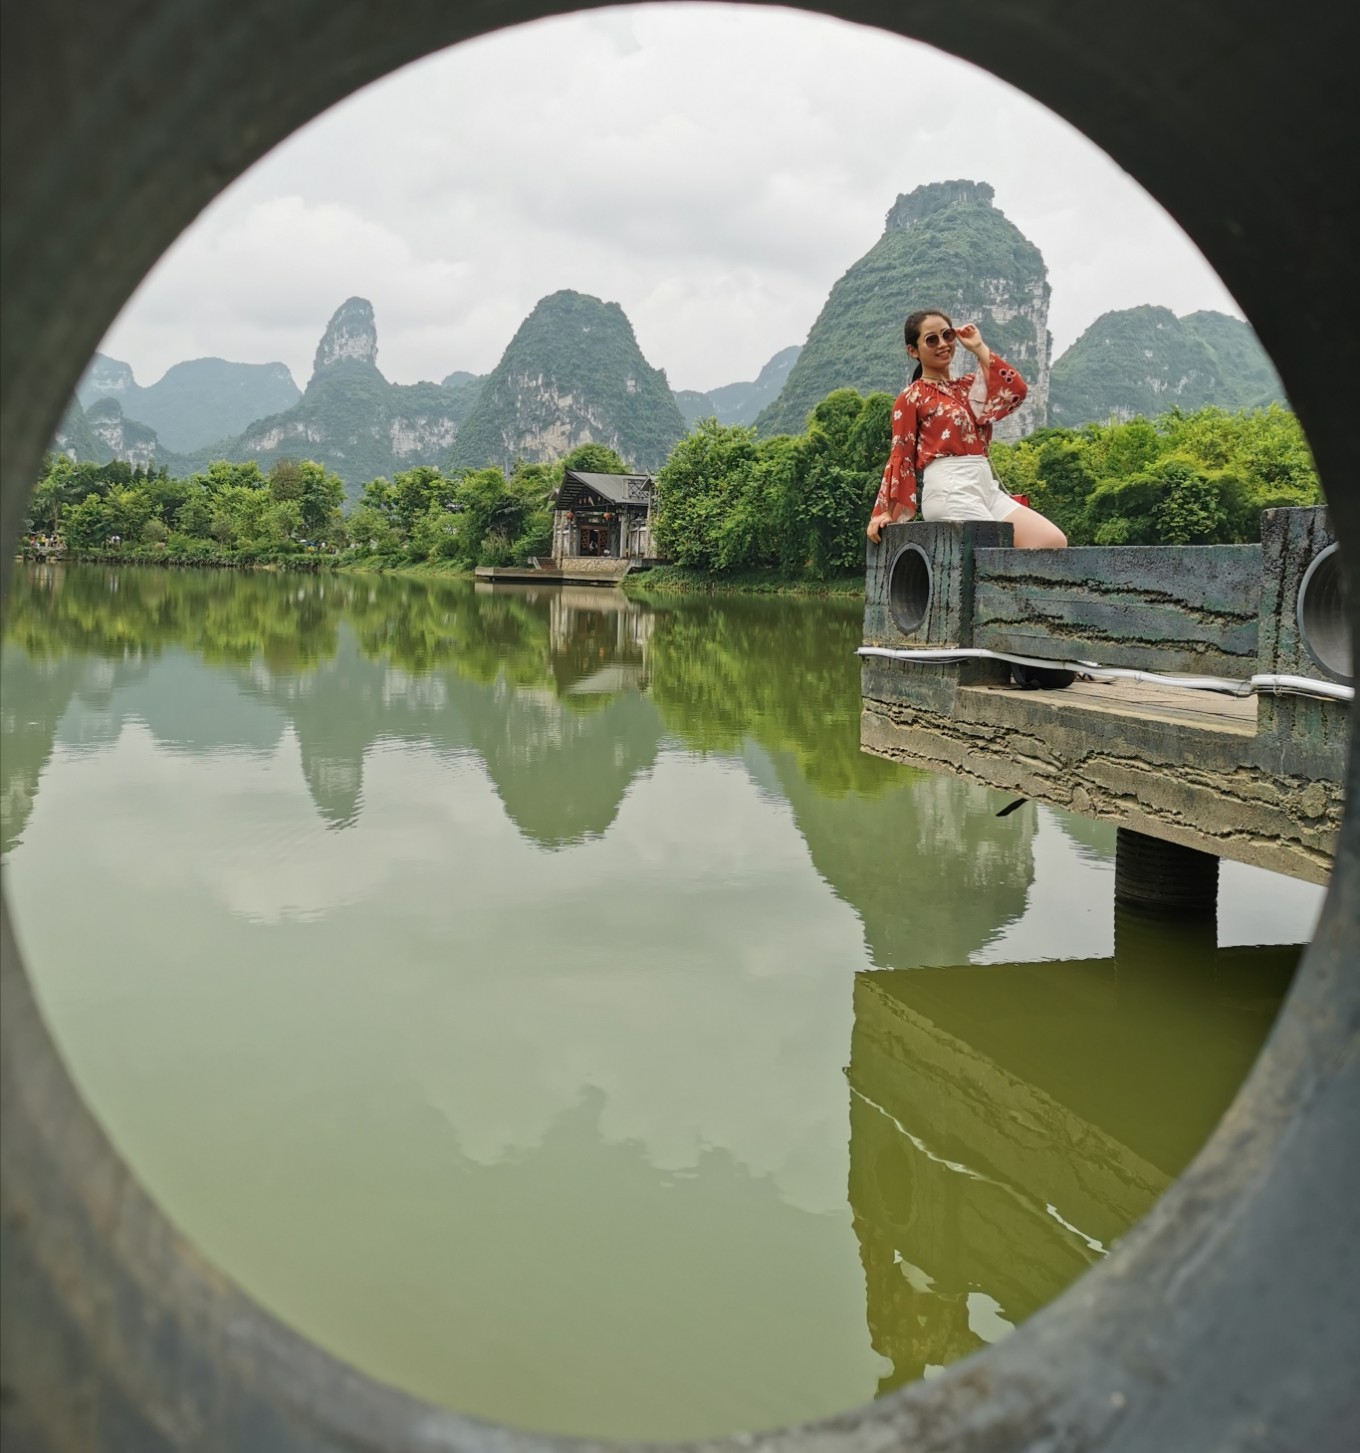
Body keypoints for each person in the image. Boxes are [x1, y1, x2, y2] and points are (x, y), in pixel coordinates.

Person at [865, 310, 1067, 549]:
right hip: (949, 488)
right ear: (913, 350)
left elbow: (1016, 391)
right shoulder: (912, 397)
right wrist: (883, 512)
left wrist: (978, 347)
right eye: (931, 339)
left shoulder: (969, 388)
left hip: (985, 486)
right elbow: (901, 455)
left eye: (947, 335)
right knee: (994, 551)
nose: (942, 344)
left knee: (1051, 542)